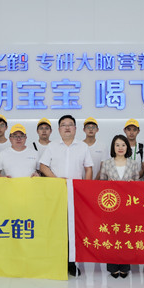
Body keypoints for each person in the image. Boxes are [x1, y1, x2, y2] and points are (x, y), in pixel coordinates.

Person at [39, 115, 93, 277]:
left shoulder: (82, 147)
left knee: (73, 228)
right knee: (57, 227)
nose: (67, 127)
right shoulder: (52, 146)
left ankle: (72, 262)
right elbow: (43, 166)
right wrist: (57, 181)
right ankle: (57, 261)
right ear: (59, 129)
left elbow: (88, 168)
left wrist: (85, 188)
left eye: (70, 125)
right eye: (64, 125)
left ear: (75, 128)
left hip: (76, 193)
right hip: (57, 193)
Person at [99, 134, 142, 278]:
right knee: (111, 237)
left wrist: (132, 184)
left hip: (128, 207)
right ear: (113, 147)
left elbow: (138, 185)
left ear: (127, 147)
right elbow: (100, 185)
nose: (120, 148)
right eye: (117, 145)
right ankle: (112, 266)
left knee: (126, 236)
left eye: (123, 145)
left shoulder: (133, 164)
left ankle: (124, 266)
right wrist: (108, 184)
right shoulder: (106, 164)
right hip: (111, 206)